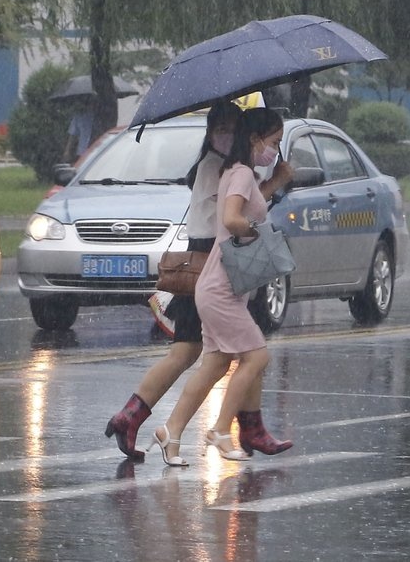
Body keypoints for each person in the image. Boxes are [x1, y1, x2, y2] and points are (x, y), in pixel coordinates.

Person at [105, 102, 293, 461]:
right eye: (218, 128)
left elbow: (248, 199)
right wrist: (270, 185)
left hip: (223, 261)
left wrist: (271, 181)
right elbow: (236, 211)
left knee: (220, 353)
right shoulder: (216, 167)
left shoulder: (226, 168)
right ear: (211, 133)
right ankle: (236, 427)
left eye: (230, 127)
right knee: (216, 351)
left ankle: (155, 421)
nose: (225, 134)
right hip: (215, 261)